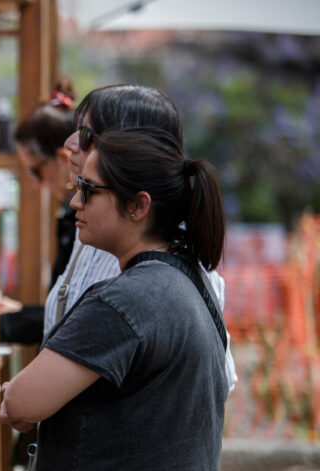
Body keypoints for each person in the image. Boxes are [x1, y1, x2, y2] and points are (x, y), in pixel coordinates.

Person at [1, 126, 228, 471]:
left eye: (89, 190)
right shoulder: (187, 280)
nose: (75, 201)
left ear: (139, 206)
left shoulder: (126, 300)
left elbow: (21, 404)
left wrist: (17, 394)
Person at [51, 84, 236, 393]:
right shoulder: (94, 229)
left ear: (127, 147)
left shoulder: (161, 261)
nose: (69, 144)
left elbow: (217, 381)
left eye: (85, 135)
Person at [0, 81, 78, 345]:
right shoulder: (71, 214)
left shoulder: (81, 220)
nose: (35, 183)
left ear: (64, 158)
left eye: (36, 171)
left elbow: (74, 318)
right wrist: (22, 313)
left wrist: (6, 323)